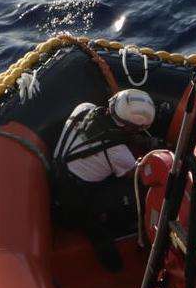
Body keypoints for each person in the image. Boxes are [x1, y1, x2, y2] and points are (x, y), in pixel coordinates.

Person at [51, 88, 157, 270]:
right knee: (135, 194)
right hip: (76, 198)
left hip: (57, 172)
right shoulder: (119, 154)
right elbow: (136, 175)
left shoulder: (83, 108)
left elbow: (101, 136)